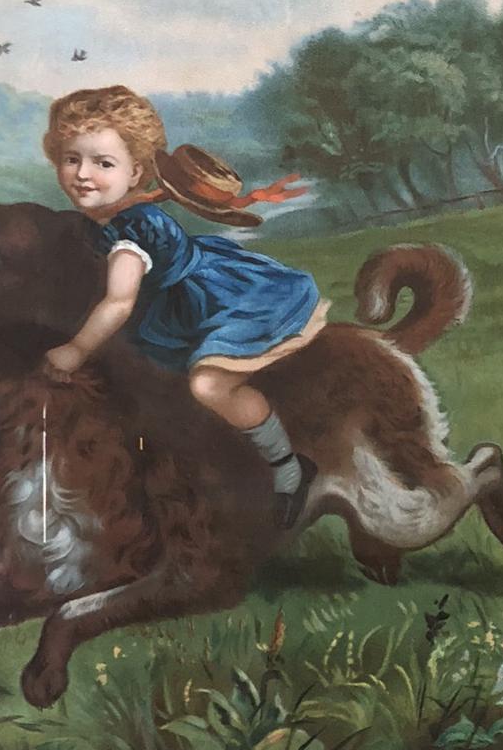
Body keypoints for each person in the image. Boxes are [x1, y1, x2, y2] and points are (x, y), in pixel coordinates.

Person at [41, 85, 323, 527]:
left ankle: (289, 468)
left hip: (215, 300)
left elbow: (119, 302)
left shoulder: (132, 231)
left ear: (136, 171)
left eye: (103, 163)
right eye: (71, 159)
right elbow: (151, 202)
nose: (82, 174)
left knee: (208, 387)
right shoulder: (118, 207)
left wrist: (75, 350)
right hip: (172, 305)